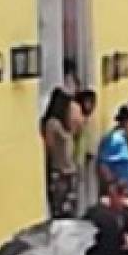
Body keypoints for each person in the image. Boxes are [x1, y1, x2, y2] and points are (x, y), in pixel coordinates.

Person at [41, 88, 79, 218]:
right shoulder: (53, 124)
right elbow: (50, 145)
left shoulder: (65, 124)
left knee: (71, 209)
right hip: (60, 171)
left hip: (68, 170)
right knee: (61, 210)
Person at [97, 102, 128, 192]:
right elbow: (103, 165)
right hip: (118, 193)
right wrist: (113, 185)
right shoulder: (115, 138)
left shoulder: (125, 138)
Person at [74, 89, 100, 212]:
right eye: (89, 102)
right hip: (77, 159)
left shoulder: (88, 119)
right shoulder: (78, 119)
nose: (91, 106)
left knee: (87, 186)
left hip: (88, 156)